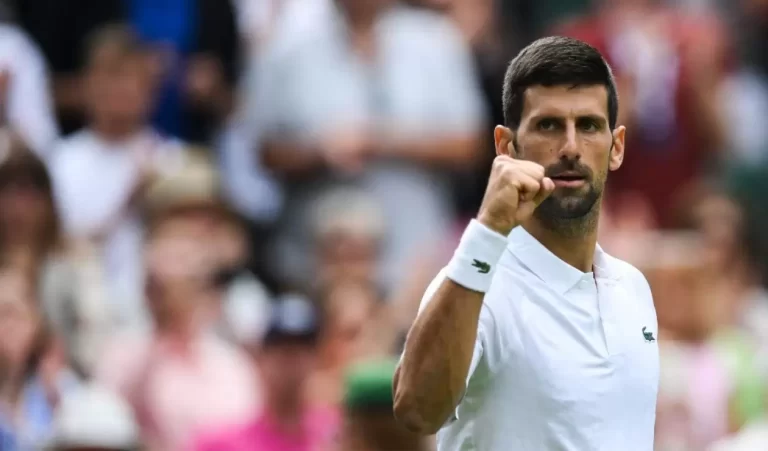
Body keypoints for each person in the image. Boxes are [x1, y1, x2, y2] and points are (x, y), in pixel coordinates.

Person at [393, 36, 659, 450]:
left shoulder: (633, 288)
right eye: (548, 125)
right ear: (506, 146)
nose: (571, 147)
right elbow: (418, 411)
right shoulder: (476, 286)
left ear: (616, 146)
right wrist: (488, 230)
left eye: (588, 125)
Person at [191, 294, 339, 451]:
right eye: (281, 349)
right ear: (260, 357)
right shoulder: (219, 443)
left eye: (302, 349)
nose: (292, 360)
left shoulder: (334, 434)